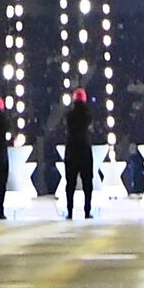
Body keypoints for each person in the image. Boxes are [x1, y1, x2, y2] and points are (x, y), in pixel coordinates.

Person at [59, 88, 98, 219]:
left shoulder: (69, 115)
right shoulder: (88, 115)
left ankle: (70, 211)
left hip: (71, 150)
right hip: (85, 149)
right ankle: (87, 211)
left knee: (70, 183)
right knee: (87, 182)